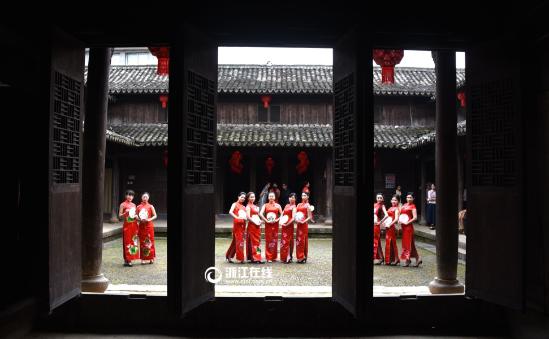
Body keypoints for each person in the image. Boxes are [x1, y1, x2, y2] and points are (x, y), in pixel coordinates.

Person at [400, 193, 422, 267]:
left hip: (408, 227)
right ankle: (417, 258)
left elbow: (415, 217)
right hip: (403, 226)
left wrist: (407, 222)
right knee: (409, 244)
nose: (409, 198)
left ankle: (407, 259)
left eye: (410, 197)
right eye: (407, 197)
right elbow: (401, 215)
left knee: (407, 244)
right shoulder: (404, 205)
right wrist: (400, 220)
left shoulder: (413, 206)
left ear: (413, 199)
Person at [260, 192, 283, 262]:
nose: (271, 197)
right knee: (269, 240)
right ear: (268, 197)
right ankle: (269, 257)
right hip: (268, 224)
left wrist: (277, 219)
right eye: (270, 196)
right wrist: (266, 220)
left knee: (275, 240)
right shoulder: (265, 205)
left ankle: (274, 257)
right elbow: (260, 213)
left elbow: (282, 214)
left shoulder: (278, 205)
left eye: (272, 196)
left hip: (275, 224)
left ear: (275, 197)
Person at [118, 190, 139, 267]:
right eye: (129, 195)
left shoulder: (134, 205)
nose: (130, 197)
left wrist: (137, 216)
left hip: (134, 225)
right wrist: (125, 213)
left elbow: (135, 215)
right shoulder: (122, 204)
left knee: (133, 242)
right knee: (126, 243)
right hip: (127, 226)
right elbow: (119, 216)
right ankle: (126, 259)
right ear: (126, 196)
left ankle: (130, 259)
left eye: (132, 195)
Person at [226, 192, 247, 263]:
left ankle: (229, 255)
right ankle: (241, 258)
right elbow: (230, 212)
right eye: (242, 197)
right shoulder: (234, 204)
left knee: (235, 242)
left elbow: (245, 217)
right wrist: (237, 217)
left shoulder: (244, 207)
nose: (243, 199)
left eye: (244, 198)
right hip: (237, 225)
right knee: (240, 241)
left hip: (243, 225)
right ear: (238, 197)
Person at [136, 192, 157, 264]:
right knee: (142, 242)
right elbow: (136, 217)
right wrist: (138, 219)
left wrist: (149, 219)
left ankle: (151, 258)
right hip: (141, 226)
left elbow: (155, 215)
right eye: (143, 197)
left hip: (149, 226)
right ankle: (143, 259)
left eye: (146, 197)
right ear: (141, 197)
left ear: (148, 198)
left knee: (150, 241)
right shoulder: (138, 207)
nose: (145, 198)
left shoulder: (151, 206)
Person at [245, 192, 263, 263]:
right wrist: (255, 222)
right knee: (254, 242)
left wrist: (260, 221)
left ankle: (256, 257)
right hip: (252, 226)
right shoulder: (248, 206)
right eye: (251, 197)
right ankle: (256, 258)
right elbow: (248, 217)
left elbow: (257, 215)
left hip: (257, 226)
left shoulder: (255, 206)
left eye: (253, 197)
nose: (252, 198)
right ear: (248, 198)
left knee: (258, 242)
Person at [295, 191, 312, 263]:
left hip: (304, 225)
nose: (303, 196)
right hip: (299, 224)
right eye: (302, 195)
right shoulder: (298, 204)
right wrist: (296, 219)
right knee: (298, 240)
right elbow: (295, 214)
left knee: (303, 240)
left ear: (307, 197)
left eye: (305, 195)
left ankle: (302, 256)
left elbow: (309, 217)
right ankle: (299, 256)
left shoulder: (308, 205)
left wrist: (304, 221)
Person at [280, 193, 296, 263]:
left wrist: (288, 224)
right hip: (284, 224)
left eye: (293, 197)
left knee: (288, 241)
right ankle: (284, 257)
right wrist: (281, 221)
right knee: (284, 241)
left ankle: (288, 256)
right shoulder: (286, 205)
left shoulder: (294, 207)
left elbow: (293, 218)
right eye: (290, 197)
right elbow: (282, 214)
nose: (291, 199)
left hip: (289, 225)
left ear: (295, 199)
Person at [384, 195, 400, 265]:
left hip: (391, 227)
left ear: (398, 202)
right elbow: (387, 217)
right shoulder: (390, 208)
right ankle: (389, 259)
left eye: (395, 200)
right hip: (388, 226)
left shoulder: (396, 209)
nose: (393, 201)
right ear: (391, 200)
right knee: (388, 242)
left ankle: (396, 259)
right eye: (393, 200)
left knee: (392, 243)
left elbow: (396, 219)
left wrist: (389, 224)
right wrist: (384, 223)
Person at [373, 193, 388, 265]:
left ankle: (374, 257)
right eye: (378, 198)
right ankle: (381, 258)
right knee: (377, 241)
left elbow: (387, 215)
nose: (379, 199)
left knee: (375, 241)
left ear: (383, 199)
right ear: (376, 198)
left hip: (376, 225)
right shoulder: (374, 205)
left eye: (380, 198)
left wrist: (380, 222)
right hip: (373, 224)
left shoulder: (382, 206)